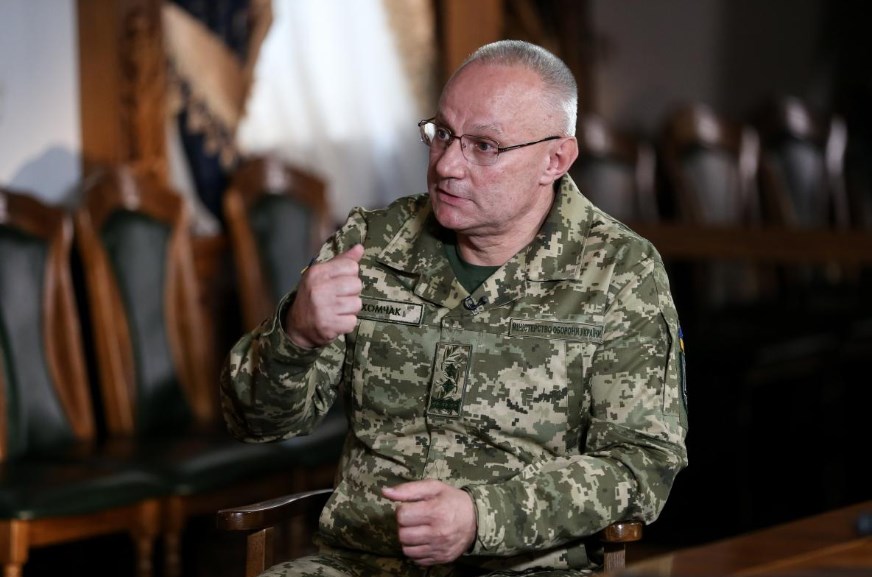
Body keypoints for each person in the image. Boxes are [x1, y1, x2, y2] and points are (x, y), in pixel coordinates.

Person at [221, 39, 688, 577]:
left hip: (526, 567)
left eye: (484, 146)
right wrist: (295, 337)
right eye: (442, 133)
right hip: (361, 563)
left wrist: (482, 518)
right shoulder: (371, 244)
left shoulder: (619, 271)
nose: (446, 165)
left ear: (555, 159)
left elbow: (642, 465)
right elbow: (254, 422)